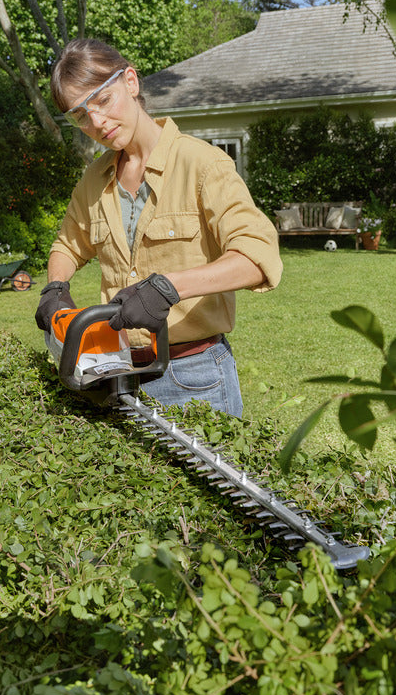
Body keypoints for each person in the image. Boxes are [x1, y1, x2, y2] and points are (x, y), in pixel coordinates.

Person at [36, 38, 283, 417]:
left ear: (131, 82)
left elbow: (257, 258)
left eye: (102, 100)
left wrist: (169, 288)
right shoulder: (95, 179)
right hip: (116, 374)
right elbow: (68, 245)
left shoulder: (202, 165)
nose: (96, 122)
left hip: (194, 375)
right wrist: (55, 287)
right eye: (80, 115)